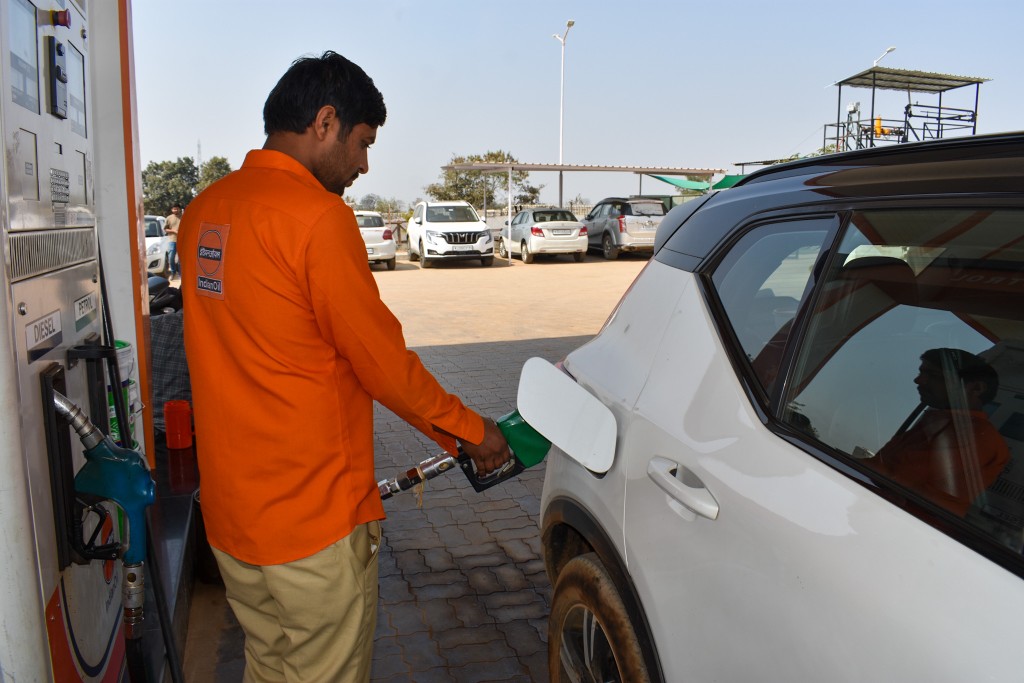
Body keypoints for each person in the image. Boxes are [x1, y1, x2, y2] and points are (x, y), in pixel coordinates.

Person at [177, 51, 510, 682]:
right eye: (362, 143)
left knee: (270, 667)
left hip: (232, 525)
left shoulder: (205, 211)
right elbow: (382, 364)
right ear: (325, 122)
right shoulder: (317, 219)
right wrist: (471, 432)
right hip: (311, 532)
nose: (363, 165)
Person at [869, 348, 1009, 516]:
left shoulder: (977, 435)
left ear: (976, 388)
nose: (918, 380)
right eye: (921, 372)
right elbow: (880, 467)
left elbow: (897, 478)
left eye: (933, 375)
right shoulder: (937, 422)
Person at [164, 204, 182, 278]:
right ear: (172, 210)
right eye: (174, 209)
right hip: (172, 240)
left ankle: (181, 274)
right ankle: (173, 272)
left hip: (182, 240)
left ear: (179, 209)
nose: (175, 210)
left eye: (177, 209)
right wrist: (174, 231)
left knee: (181, 259)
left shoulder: (183, 217)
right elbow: (165, 229)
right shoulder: (169, 218)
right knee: (171, 257)